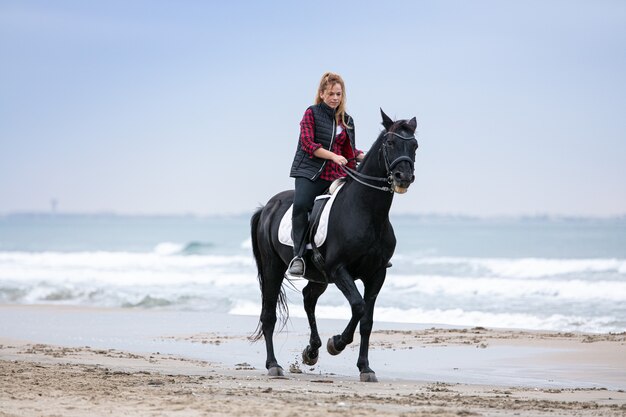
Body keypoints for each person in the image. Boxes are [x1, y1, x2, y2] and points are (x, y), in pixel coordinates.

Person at [287, 72, 365, 276]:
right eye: (331, 94)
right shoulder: (311, 113)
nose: (335, 98)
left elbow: (348, 152)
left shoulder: (347, 120)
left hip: (337, 172)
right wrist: (332, 156)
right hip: (310, 171)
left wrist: (364, 157)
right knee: (302, 205)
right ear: (321, 94)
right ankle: (298, 256)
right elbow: (307, 144)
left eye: (338, 94)